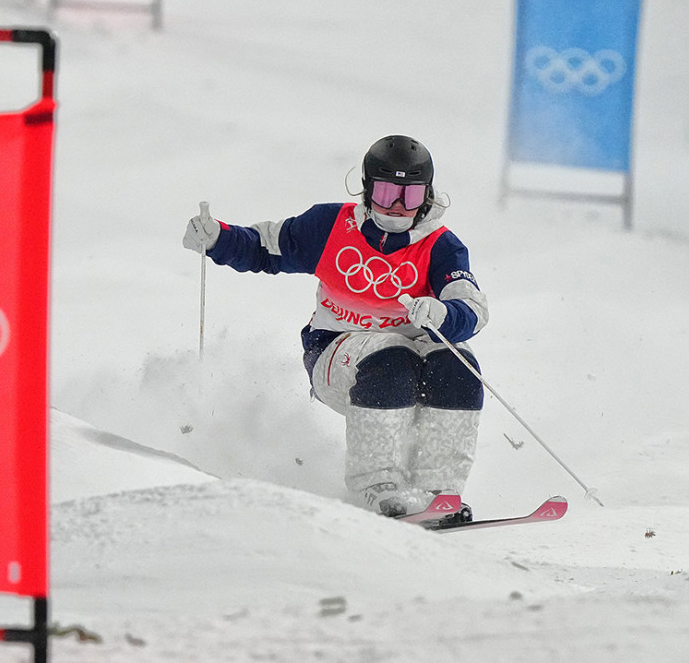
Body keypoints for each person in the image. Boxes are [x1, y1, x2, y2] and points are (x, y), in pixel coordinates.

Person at [181, 135, 487, 520]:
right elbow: (266, 246)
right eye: (385, 192)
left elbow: (471, 307)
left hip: (416, 360)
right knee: (393, 358)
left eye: (409, 197)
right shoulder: (331, 225)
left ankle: (437, 490)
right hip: (338, 352)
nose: (396, 206)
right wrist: (219, 239)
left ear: (426, 196)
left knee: (458, 366)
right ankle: (377, 485)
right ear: (365, 188)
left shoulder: (440, 247)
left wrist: (444, 314)